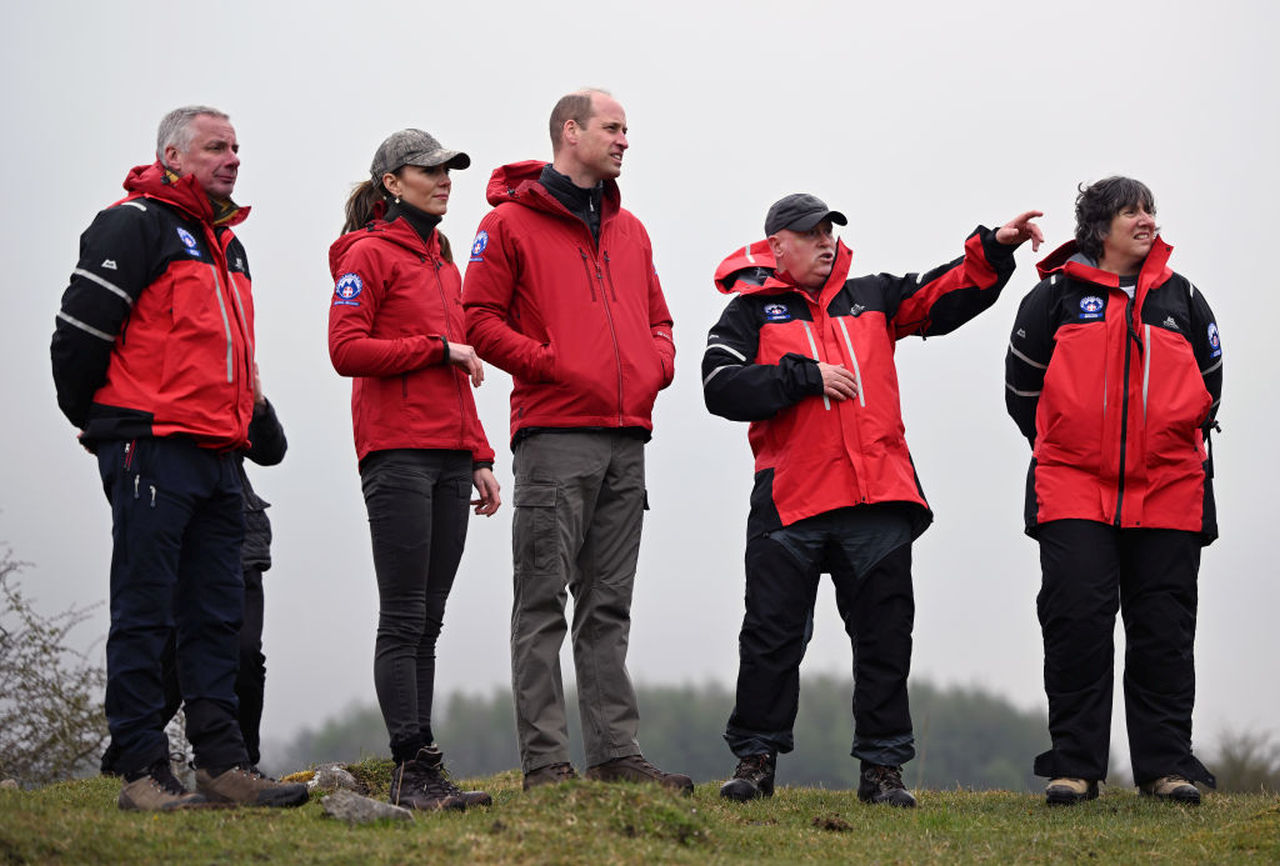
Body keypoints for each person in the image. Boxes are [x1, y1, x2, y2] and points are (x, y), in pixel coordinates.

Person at [704, 192, 1042, 807]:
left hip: (878, 502)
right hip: (791, 505)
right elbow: (719, 386)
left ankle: (883, 772)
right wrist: (802, 377)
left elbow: (945, 294)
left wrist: (996, 246)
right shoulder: (749, 314)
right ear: (777, 245)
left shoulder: (875, 296)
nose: (826, 240)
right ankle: (754, 762)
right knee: (771, 639)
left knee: (885, 643)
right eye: (810, 233)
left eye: (830, 230)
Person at [50, 105, 307, 811]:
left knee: (216, 615)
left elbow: (233, 364)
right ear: (172, 154)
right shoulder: (133, 224)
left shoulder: (227, 243)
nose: (231, 159)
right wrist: (107, 423)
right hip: (153, 447)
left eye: (236, 148)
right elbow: (75, 338)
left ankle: (223, 765)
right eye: (215, 147)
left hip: (220, 456)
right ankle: (143, 774)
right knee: (146, 613)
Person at [462, 89, 689, 794]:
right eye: (613, 128)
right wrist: (551, 364)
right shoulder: (506, 225)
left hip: (627, 437)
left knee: (609, 605)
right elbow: (478, 319)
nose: (625, 141)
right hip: (555, 436)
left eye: (626, 129)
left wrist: (657, 367)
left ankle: (617, 755)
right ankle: (547, 764)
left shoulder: (633, 230)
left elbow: (660, 321)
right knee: (540, 603)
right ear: (571, 132)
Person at [1004, 177, 1221, 806]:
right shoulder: (1054, 298)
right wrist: (1072, 447)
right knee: (1077, 623)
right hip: (1073, 489)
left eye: (1150, 208)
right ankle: (1075, 767)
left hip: (1170, 489)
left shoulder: (1184, 299)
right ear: (1099, 226)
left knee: (1164, 629)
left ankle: (1165, 767)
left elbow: (1211, 385)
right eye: (1131, 210)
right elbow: (1023, 393)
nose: (1146, 219)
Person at [329, 128, 501, 812]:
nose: (444, 178)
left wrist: (481, 455)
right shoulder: (367, 255)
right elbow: (346, 349)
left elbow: (462, 372)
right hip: (396, 452)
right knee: (404, 616)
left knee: (429, 618)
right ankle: (411, 767)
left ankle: (422, 769)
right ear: (391, 184)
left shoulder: (445, 263)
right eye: (427, 170)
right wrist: (436, 349)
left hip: (452, 456)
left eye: (448, 169)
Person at [98, 376, 287, 777]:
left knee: (244, 655)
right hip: (173, 531)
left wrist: (258, 399)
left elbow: (273, 450)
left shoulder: (229, 381)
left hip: (240, 539)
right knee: (168, 659)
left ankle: (241, 763)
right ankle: (129, 760)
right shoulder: (152, 386)